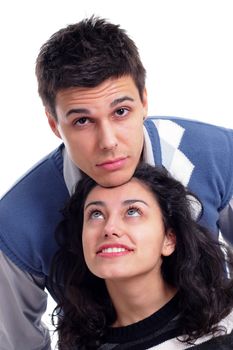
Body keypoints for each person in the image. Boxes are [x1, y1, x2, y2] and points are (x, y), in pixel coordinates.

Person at [0, 16, 233, 350]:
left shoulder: (218, 155)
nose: (108, 141)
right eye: (82, 120)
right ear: (54, 125)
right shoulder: (14, 226)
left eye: (121, 112)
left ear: (144, 102)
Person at [49, 163, 233, 349]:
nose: (110, 229)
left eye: (132, 211)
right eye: (96, 214)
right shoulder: (78, 345)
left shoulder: (227, 321)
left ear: (169, 240)